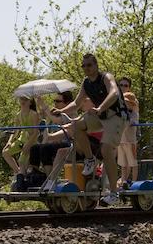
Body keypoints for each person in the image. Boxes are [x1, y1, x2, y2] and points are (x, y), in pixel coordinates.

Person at [53, 53, 127, 205]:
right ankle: (90, 159)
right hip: (100, 115)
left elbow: (114, 92)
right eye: (84, 65)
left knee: (106, 150)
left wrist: (100, 107)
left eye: (89, 65)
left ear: (96, 65)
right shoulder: (86, 83)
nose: (86, 68)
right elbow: (77, 102)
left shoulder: (106, 77)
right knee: (76, 125)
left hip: (115, 116)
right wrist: (62, 110)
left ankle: (114, 193)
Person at [2, 95, 40, 190]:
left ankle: (21, 179)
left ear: (30, 102)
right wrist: (10, 141)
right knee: (5, 152)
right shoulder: (18, 115)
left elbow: (36, 132)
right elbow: (15, 131)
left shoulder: (34, 114)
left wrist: (28, 144)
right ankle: (19, 173)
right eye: (21, 99)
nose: (22, 101)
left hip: (32, 140)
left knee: (22, 161)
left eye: (25, 99)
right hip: (21, 139)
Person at [116, 77, 140, 188]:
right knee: (123, 161)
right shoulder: (117, 101)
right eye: (121, 85)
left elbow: (133, 119)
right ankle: (124, 181)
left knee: (133, 160)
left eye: (126, 85)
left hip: (130, 136)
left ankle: (134, 182)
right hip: (121, 137)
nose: (123, 87)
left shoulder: (133, 102)